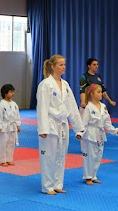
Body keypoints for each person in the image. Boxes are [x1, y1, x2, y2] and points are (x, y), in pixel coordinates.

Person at [36, 54, 84, 195]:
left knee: (61, 155)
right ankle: (47, 186)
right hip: (50, 124)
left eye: (64, 64)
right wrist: (43, 128)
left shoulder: (65, 84)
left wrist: (78, 127)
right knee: (48, 156)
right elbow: (42, 108)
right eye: (61, 65)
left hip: (62, 125)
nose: (64, 67)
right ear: (52, 67)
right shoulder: (45, 85)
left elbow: (72, 107)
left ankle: (57, 184)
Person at [81, 84, 118, 185]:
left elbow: (107, 122)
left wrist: (114, 130)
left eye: (101, 91)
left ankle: (93, 176)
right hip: (90, 134)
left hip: (100, 134)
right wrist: (80, 133)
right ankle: (87, 176)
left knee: (98, 155)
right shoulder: (89, 107)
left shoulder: (103, 107)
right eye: (99, 92)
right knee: (90, 156)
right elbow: (84, 123)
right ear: (92, 94)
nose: (101, 94)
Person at [0, 84, 21, 166]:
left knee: (11, 143)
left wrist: (17, 125)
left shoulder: (14, 104)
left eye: (13, 92)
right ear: (5, 93)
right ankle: (2, 160)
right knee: (3, 143)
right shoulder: (1, 104)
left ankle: (9, 159)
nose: (13, 93)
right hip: (4, 127)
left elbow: (17, 115)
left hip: (12, 126)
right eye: (11, 92)